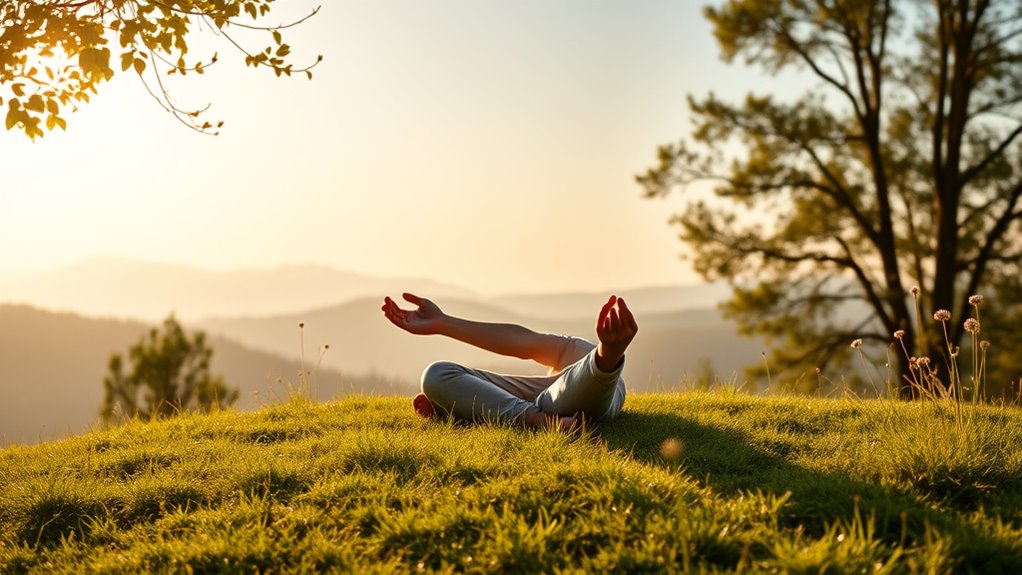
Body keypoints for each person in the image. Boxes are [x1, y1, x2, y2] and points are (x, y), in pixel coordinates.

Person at [381, 292, 638, 430]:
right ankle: (475, 410)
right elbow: (520, 341)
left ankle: (533, 420)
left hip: (599, 380)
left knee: (553, 400)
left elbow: (576, 392)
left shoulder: (585, 363)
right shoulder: (572, 350)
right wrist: (442, 323)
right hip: (539, 394)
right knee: (436, 374)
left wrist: (608, 354)